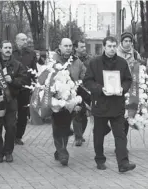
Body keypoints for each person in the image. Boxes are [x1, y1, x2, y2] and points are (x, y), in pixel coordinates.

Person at [83, 36, 136, 172]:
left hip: (117, 103)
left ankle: (123, 163)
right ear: (104, 47)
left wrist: (122, 89)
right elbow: (87, 81)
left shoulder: (122, 63)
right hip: (100, 103)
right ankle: (100, 159)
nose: (112, 49)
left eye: (114, 46)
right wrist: (100, 89)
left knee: (120, 134)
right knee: (99, 134)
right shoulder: (95, 63)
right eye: (109, 46)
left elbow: (128, 80)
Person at [0, 40, 29, 163]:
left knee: (11, 126)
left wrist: (12, 80)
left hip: (11, 99)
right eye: (5, 47)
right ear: (1, 49)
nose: (8, 49)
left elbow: (24, 81)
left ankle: (8, 152)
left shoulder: (18, 65)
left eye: (10, 47)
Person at [52, 38, 86, 166]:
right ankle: (63, 152)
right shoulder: (53, 60)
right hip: (56, 98)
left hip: (71, 98)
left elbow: (85, 76)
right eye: (65, 45)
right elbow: (46, 77)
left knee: (65, 126)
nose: (68, 48)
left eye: (70, 46)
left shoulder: (77, 61)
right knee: (57, 125)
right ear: (59, 46)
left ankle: (60, 149)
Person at [12, 33, 37, 145]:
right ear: (16, 41)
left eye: (26, 39)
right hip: (12, 87)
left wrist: (37, 83)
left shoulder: (31, 54)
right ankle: (10, 134)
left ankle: (18, 136)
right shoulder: (10, 53)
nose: (25, 41)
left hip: (25, 87)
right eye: (22, 40)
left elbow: (34, 70)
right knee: (11, 113)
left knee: (23, 113)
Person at [72, 40, 92, 146]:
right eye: (81, 47)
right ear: (76, 48)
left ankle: (80, 134)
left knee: (85, 115)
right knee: (78, 112)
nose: (84, 48)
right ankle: (78, 137)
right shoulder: (72, 59)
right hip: (76, 89)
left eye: (85, 46)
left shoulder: (90, 59)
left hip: (87, 90)